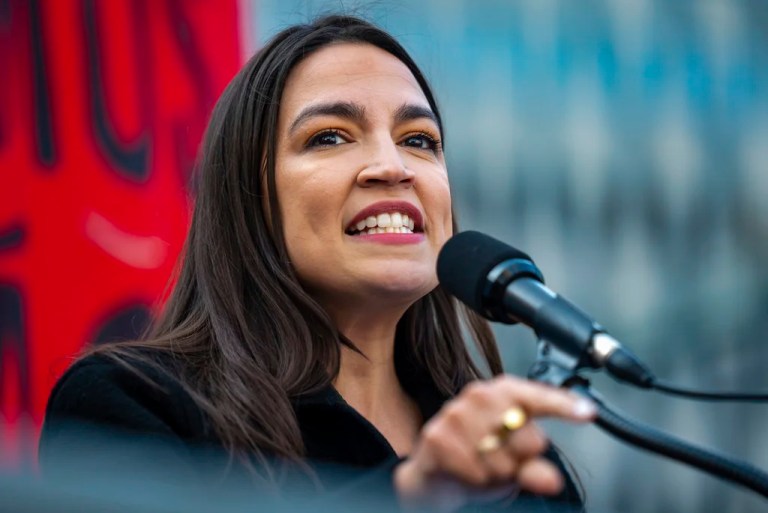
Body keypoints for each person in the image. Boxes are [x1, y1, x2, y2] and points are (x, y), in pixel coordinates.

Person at [39, 14, 596, 512]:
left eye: (420, 140)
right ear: (250, 198)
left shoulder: (515, 467)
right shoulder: (132, 404)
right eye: (330, 136)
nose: (391, 166)